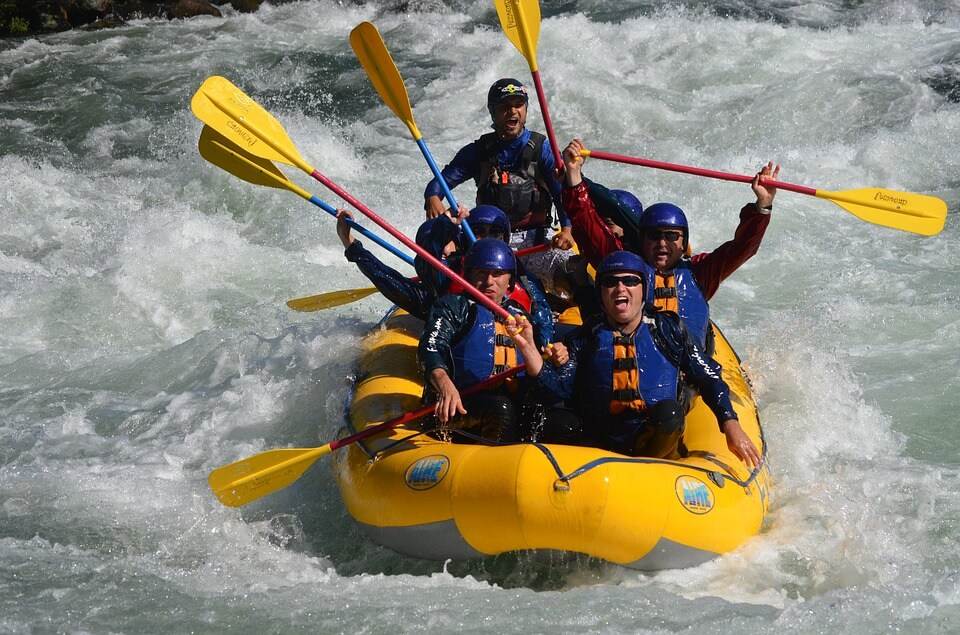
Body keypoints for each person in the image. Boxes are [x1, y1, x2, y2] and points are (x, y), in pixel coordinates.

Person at [507, 250, 761, 467]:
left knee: (669, 413)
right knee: (560, 423)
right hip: (600, 438)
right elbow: (556, 389)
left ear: (644, 290)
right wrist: (530, 350)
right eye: (611, 282)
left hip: (650, 439)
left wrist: (729, 422)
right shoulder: (587, 337)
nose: (620, 289)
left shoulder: (668, 330)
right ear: (601, 294)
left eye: (630, 281)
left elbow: (707, 375)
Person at [560, 137, 779, 346]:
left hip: (690, 377)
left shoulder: (701, 272)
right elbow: (588, 226)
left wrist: (763, 206)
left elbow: (744, 248)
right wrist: (573, 175)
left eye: (671, 236)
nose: (662, 244)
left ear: (684, 244)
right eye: (654, 236)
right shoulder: (624, 268)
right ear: (641, 239)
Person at [423, 79, 574, 290]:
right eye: (504, 107)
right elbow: (440, 183)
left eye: (518, 105)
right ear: (493, 112)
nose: (512, 112)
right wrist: (432, 197)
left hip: (537, 239)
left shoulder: (543, 150)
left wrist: (566, 229)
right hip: (489, 240)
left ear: (526, 109)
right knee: (439, 248)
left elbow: (563, 195)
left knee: (571, 274)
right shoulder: (478, 151)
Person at [418, 239, 533, 442]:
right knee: (501, 409)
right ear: (469, 276)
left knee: (544, 415)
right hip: (454, 405)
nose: (489, 281)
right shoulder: (454, 306)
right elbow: (431, 348)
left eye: (497, 274)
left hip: (502, 401)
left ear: (510, 280)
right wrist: (444, 384)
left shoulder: (518, 315)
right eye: (481, 273)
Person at [336, 209, 462, 321]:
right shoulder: (425, 299)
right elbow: (380, 274)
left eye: (444, 242)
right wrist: (347, 240)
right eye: (428, 248)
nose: (442, 251)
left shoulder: (469, 261)